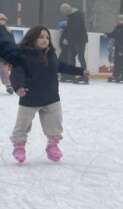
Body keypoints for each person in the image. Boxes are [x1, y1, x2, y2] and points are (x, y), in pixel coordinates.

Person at [8, 26, 89, 163]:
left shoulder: (50, 54)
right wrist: (18, 87)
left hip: (51, 97)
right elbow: (17, 72)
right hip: (29, 97)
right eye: (41, 37)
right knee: (22, 125)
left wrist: (80, 71)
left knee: (55, 125)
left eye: (47, 37)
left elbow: (62, 66)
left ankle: (53, 146)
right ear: (32, 38)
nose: (45, 40)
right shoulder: (22, 55)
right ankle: (19, 147)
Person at [60, 3, 89, 84]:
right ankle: (71, 74)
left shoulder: (76, 16)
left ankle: (84, 76)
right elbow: (69, 28)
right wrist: (65, 35)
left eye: (64, 12)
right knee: (71, 57)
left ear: (66, 11)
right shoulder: (70, 16)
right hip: (73, 40)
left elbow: (75, 29)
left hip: (80, 40)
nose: (64, 14)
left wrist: (67, 38)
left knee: (80, 57)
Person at [105, 14, 123, 83]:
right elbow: (113, 34)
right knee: (116, 62)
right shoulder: (118, 27)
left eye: (121, 20)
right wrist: (107, 34)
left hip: (122, 48)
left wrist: (121, 50)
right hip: (117, 47)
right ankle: (115, 75)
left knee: (121, 62)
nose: (119, 21)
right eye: (118, 20)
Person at [0, 13, 13, 94]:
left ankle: (8, 85)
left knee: (4, 71)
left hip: (4, 56)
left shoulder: (8, 31)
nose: (2, 21)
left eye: (4, 20)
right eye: (1, 19)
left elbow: (12, 42)